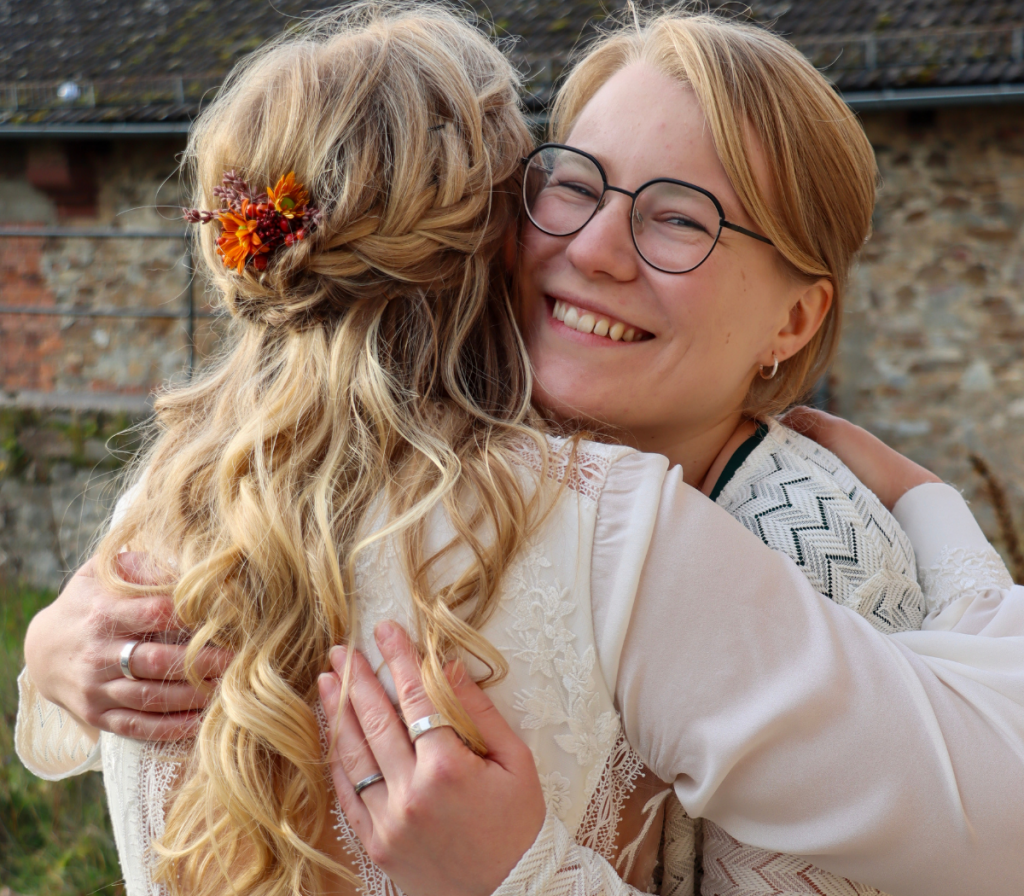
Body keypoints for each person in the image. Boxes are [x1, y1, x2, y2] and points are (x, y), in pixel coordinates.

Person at [15, 5, 1024, 896]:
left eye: (680, 218)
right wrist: (52, 656)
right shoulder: (607, 528)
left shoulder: (178, 481)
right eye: (571, 182)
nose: (592, 248)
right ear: (495, 221)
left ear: (795, 321)